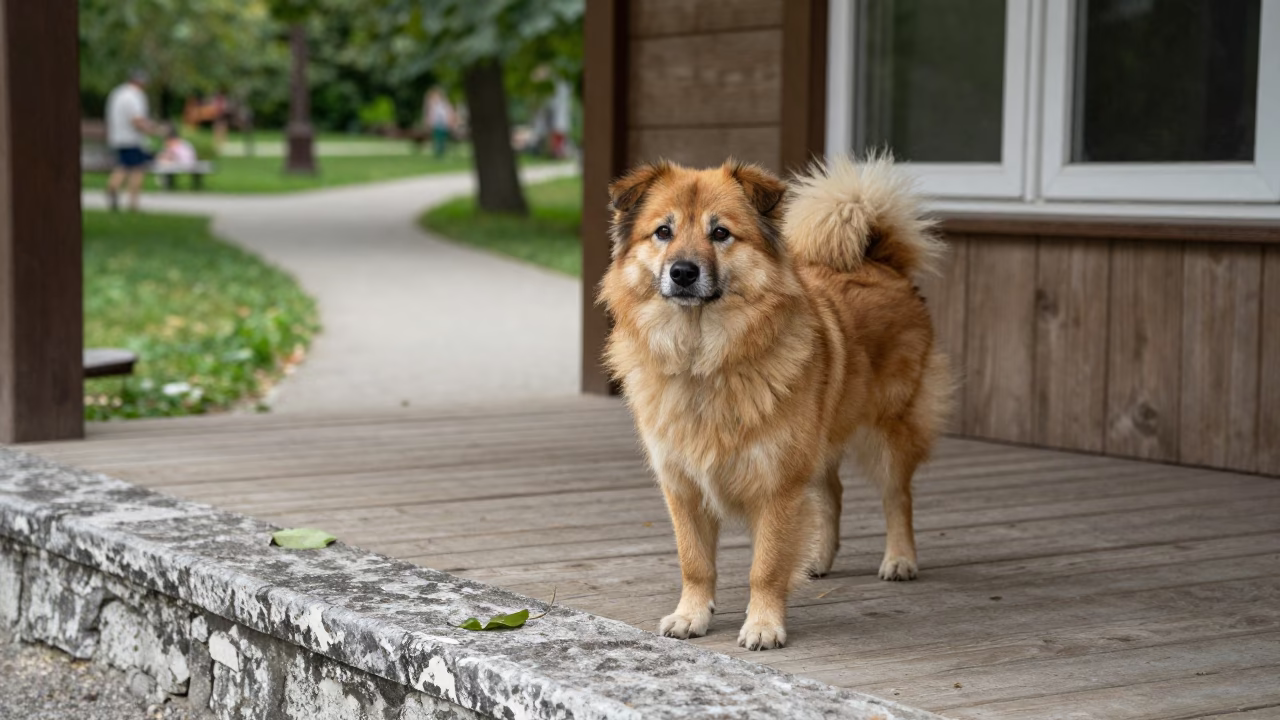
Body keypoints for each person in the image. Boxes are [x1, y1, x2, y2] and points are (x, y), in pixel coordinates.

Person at [105, 70, 158, 211]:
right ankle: (133, 202)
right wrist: (151, 129)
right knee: (137, 169)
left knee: (123, 165)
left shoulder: (117, 93)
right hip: (132, 138)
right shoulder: (135, 96)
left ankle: (113, 187)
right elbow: (137, 120)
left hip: (117, 136)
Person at [423, 87, 455, 159]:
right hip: (437, 124)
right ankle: (438, 154)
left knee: (442, 139)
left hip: (443, 124)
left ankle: (441, 153)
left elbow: (449, 113)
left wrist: (450, 122)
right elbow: (430, 115)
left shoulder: (444, 104)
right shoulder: (433, 105)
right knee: (437, 139)